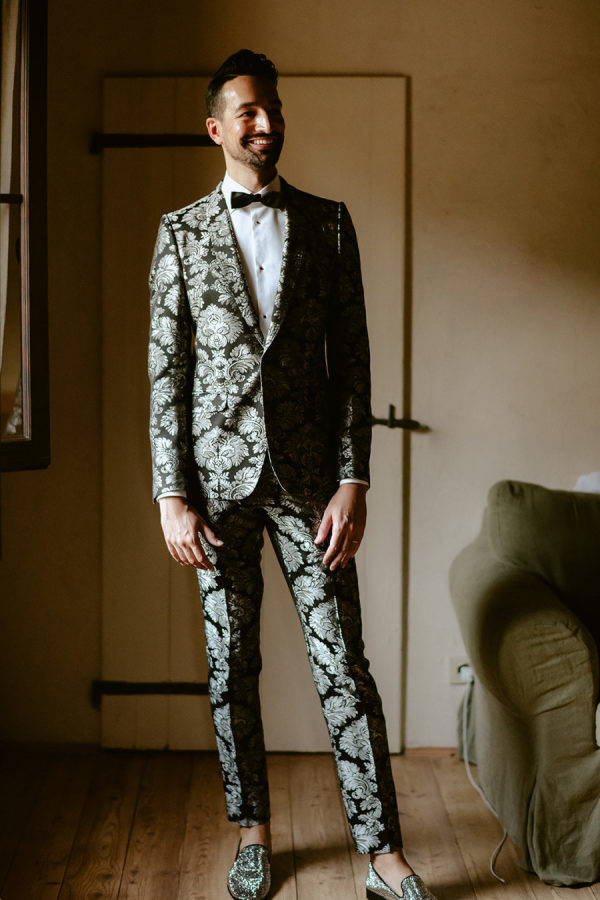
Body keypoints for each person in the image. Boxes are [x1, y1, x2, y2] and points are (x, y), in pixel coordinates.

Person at [148, 49, 437, 900]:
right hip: (215, 491)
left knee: (343, 662)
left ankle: (383, 854)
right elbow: (167, 374)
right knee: (229, 664)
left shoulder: (329, 224)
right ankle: (253, 837)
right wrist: (170, 493)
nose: (266, 123)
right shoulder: (179, 233)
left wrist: (356, 480)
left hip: (313, 486)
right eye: (248, 111)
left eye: (272, 108)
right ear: (216, 127)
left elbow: (354, 363)